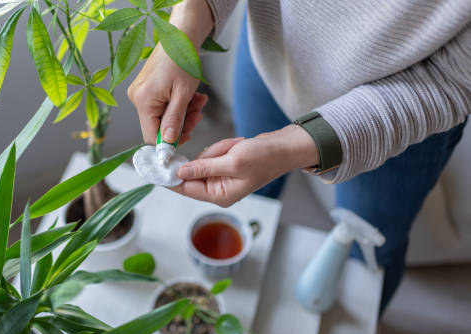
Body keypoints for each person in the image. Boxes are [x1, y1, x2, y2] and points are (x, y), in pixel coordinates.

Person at [127, 0, 471, 313]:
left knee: (369, 254)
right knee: (248, 197)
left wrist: (293, 147)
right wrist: (186, 23)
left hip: (396, 113)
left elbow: (451, 78)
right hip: (273, 43)